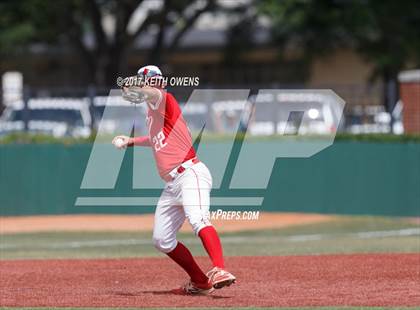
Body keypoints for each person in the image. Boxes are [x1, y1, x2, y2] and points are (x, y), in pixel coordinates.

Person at [112, 65, 236, 295]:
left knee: (198, 219)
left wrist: (139, 87)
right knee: (162, 240)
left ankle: (220, 269)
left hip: (190, 174)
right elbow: (154, 137)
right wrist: (131, 141)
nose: (144, 85)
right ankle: (200, 281)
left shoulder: (163, 98)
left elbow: (154, 93)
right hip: (172, 185)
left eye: (145, 81)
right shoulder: (152, 112)